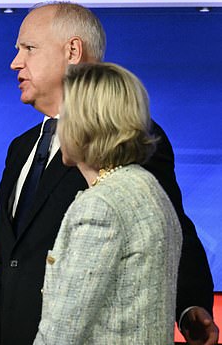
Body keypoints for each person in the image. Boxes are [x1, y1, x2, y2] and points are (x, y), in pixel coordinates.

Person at [0, 2, 218, 345]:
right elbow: (5, 265)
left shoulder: (128, 138)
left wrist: (189, 306)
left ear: (72, 50)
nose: (15, 62)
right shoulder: (20, 149)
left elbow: (171, 231)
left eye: (29, 48)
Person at [33, 62, 182, 344]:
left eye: (65, 115)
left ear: (86, 123)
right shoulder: (147, 187)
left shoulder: (101, 207)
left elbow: (63, 331)